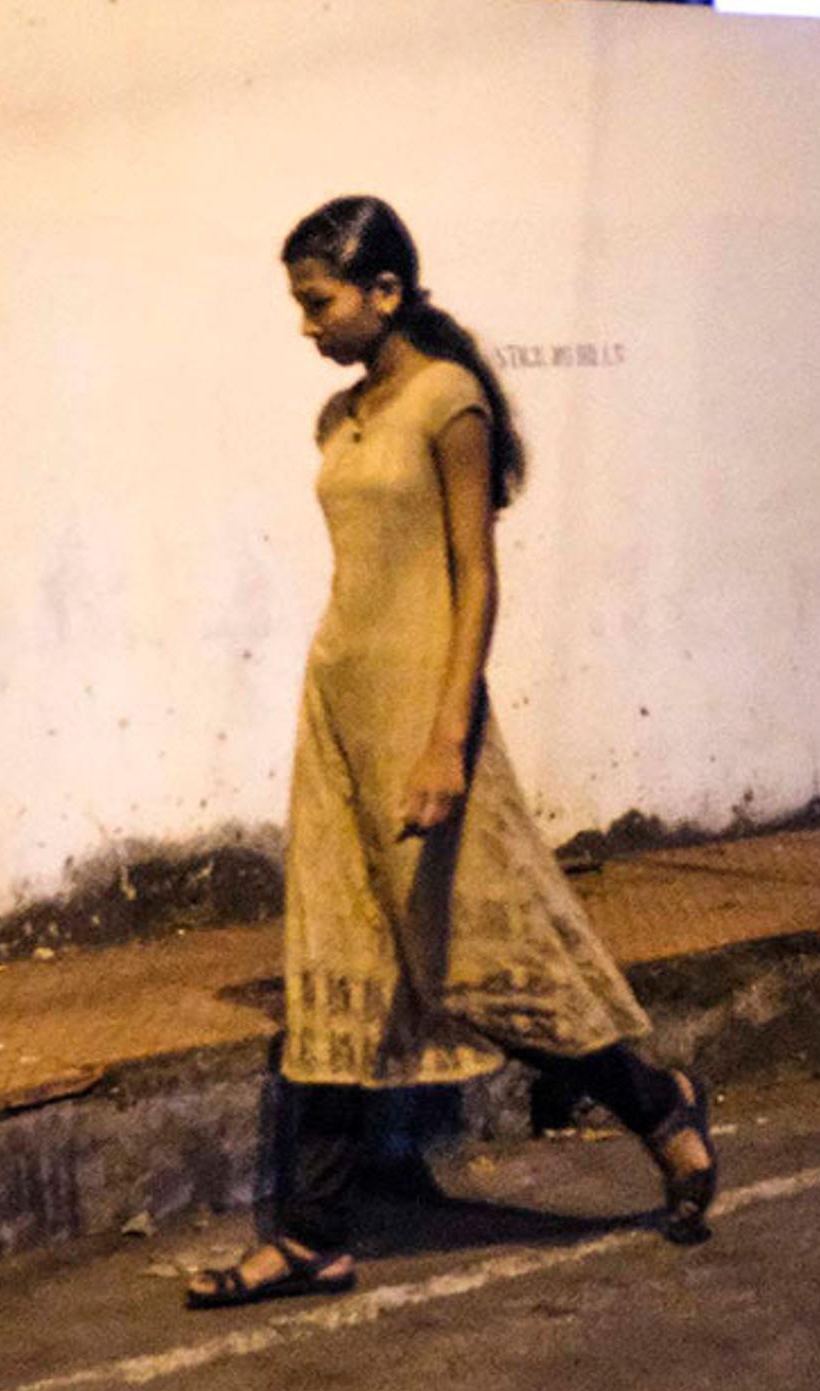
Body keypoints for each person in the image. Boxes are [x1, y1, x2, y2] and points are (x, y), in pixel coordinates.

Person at [187, 195, 716, 1310]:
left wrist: (447, 742)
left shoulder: (449, 401)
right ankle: (312, 1236)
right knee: (332, 969)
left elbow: (476, 579)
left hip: (427, 720)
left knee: (484, 960)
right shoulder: (338, 419)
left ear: (385, 293)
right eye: (300, 303)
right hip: (338, 713)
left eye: (317, 301)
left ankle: (659, 1105)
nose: (305, 325)